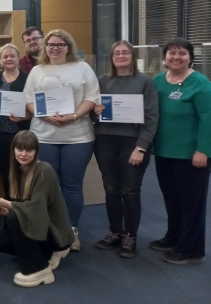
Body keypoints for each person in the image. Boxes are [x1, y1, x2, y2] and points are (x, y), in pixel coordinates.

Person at [24, 29, 99, 251]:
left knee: (72, 185)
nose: (55, 48)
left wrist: (73, 116)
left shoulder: (82, 68)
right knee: (49, 185)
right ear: (45, 47)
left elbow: (92, 98)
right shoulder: (37, 70)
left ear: (68, 47)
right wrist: (44, 115)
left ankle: (71, 230)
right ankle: (52, 229)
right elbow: (28, 100)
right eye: (51, 44)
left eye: (60, 44)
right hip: (44, 135)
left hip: (77, 137)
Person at [92, 41, 158, 258]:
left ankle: (130, 235)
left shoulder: (144, 81)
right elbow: (92, 112)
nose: (120, 56)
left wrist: (141, 147)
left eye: (125, 52)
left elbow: (151, 117)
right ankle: (115, 231)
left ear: (132, 56)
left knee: (130, 191)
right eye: (116, 53)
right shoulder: (102, 80)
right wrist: (95, 111)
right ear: (111, 57)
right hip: (105, 141)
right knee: (111, 189)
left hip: (133, 143)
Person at [0, 131, 74, 288]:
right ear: (13, 150)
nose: (23, 154)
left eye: (29, 149)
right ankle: (43, 255)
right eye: (20, 149)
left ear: (36, 151)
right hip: (39, 228)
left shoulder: (44, 170)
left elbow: (36, 209)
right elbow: (22, 207)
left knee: (15, 218)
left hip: (53, 232)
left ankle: (39, 269)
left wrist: (3, 202)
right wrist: (4, 210)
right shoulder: (18, 171)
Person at [151, 37, 211, 265]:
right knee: (172, 199)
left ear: (191, 58)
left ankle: (191, 248)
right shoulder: (158, 81)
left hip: (191, 155)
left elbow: (208, 119)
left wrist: (203, 150)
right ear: (165, 57)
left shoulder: (201, 83)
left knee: (191, 203)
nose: (176, 57)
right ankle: (173, 236)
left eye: (182, 53)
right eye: (172, 53)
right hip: (164, 152)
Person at [0, 43, 30, 195]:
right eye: (5, 56)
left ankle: (23, 205)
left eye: (12, 56)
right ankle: (10, 205)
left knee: (22, 172)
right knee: (4, 171)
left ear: (18, 58)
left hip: (20, 134)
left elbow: (35, 106)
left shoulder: (28, 79)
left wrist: (25, 116)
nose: (9, 59)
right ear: (0, 60)